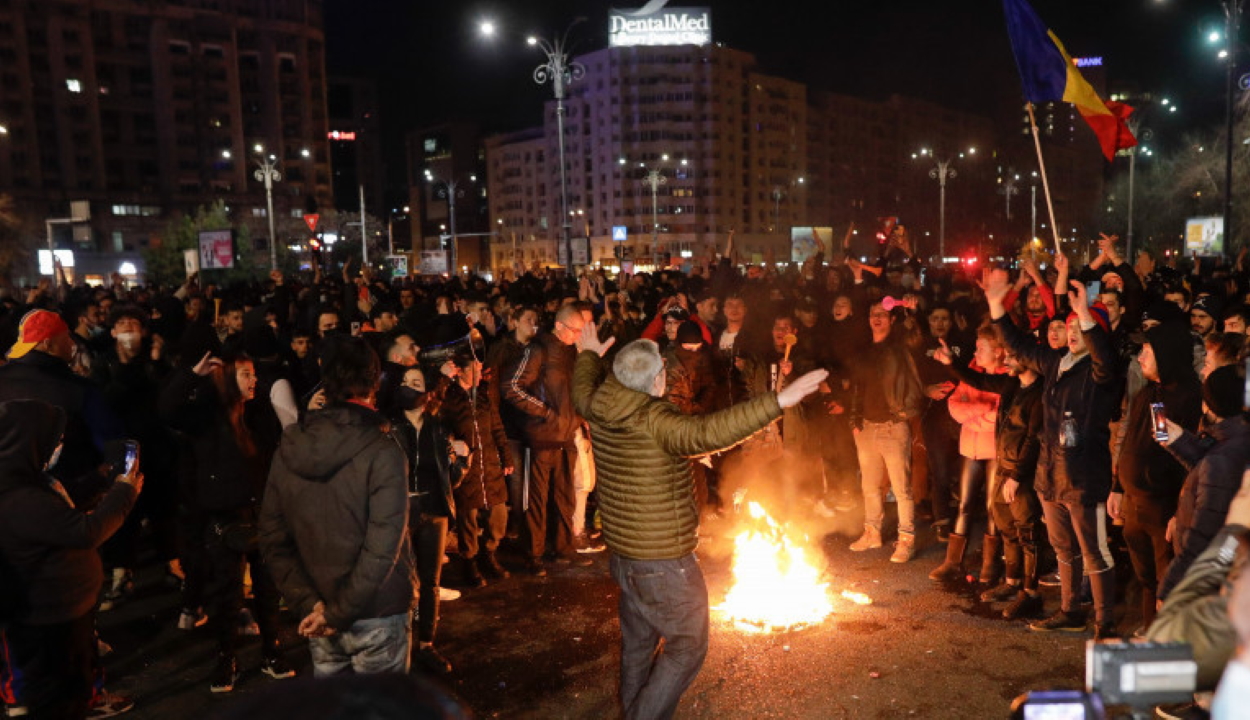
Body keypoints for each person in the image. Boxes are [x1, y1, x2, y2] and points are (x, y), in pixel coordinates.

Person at [572, 323, 826, 720]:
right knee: (687, 645)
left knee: (639, 644)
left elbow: (581, 386)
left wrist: (587, 353)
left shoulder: (599, 404)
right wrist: (779, 401)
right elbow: (711, 431)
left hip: (625, 557)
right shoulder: (656, 419)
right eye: (663, 370)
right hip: (663, 563)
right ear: (656, 380)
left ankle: (633, 712)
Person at [260, 335, 416, 677]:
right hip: (374, 611)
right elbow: (383, 546)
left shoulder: (291, 446)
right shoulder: (382, 449)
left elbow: (273, 538)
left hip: (319, 608)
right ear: (374, 379)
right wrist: (335, 613)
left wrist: (310, 603)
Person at [990, 271, 1121, 638]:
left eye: (1083, 326)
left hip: (1083, 479)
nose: (1074, 330)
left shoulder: (1100, 372)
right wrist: (996, 309)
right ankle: (1069, 610)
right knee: (1063, 546)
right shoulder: (1055, 364)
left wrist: (1084, 314)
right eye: (1070, 324)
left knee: (1093, 550)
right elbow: (1019, 347)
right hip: (1051, 476)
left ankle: (1105, 621)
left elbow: (1105, 363)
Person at [159, 351, 294, 692]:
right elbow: (168, 410)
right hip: (223, 518)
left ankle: (272, 651)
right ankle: (226, 658)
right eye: (246, 374)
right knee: (228, 592)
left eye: (254, 374)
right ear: (228, 378)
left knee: (267, 589)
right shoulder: (207, 417)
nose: (254, 381)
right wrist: (192, 374)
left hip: (261, 514)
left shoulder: (258, 414)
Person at [0, 400, 141, 719]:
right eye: (55, 440)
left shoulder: (27, 480)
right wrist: (124, 493)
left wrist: (98, 480)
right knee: (59, 702)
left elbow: (60, 511)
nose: (59, 446)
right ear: (30, 442)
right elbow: (85, 531)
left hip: (62, 614)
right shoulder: (19, 498)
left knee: (71, 693)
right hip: (49, 623)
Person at [389, 366, 468, 675]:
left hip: (434, 510)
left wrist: (462, 462)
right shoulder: (390, 427)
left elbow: (451, 477)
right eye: (406, 383)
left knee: (431, 582)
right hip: (401, 509)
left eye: (417, 383)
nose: (410, 388)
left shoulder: (437, 427)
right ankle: (401, 647)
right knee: (403, 583)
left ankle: (427, 644)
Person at [500, 305, 587, 575]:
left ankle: (563, 548)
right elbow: (511, 386)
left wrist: (576, 418)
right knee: (535, 499)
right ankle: (533, 554)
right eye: (575, 330)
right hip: (540, 438)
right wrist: (546, 413)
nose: (577, 335)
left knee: (565, 496)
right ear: (559, 326)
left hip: (565, 435)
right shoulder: (537, 350)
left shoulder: (571, 352)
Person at [848, 299, 923, 563]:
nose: (877, 318)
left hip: (893, 426)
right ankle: (872, 532)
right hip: (867, 428)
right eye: (873, 314)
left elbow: (916, 336)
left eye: (883, 314)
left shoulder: (900, 347)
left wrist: (910, 312)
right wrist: (854, 421)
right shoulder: (865, 351)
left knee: (902, 489)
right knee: (869, 486)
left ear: (892, 320)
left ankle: (906, 540)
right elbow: (857, 387)